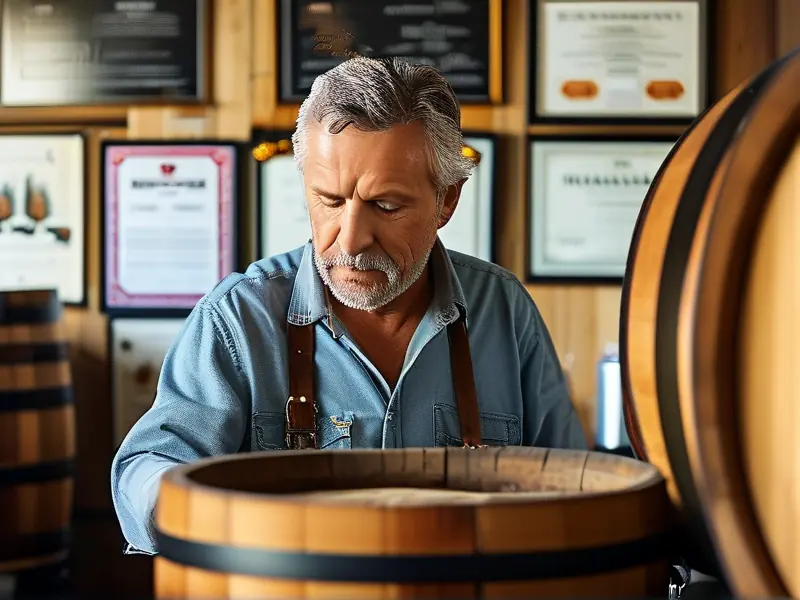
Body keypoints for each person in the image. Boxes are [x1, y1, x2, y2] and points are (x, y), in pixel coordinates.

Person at [111, 57, 587, 555]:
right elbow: (144, 469)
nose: (352, 240)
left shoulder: (504, 310)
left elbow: (576, 487)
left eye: (386, 206)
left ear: (447, 200)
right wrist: (186, 506)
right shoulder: (236, 319)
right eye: (330, 201)